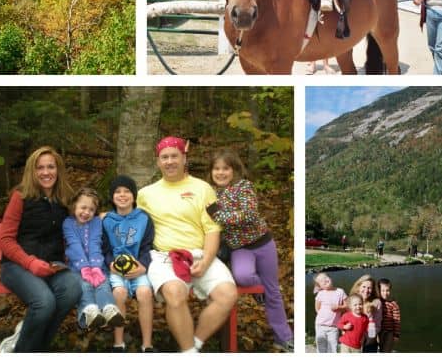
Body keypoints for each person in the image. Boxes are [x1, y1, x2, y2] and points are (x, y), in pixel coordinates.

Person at [137, 136, 237, 353]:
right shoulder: (145, 194)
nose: (170, 161)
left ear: (184, 158)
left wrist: (207, 260)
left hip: (201, 254)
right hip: (164, 257)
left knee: (228, 294)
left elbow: (212, 229)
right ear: (158, 161)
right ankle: (189, 352)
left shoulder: (203, 189)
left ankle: (195, 344)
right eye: (164, 157)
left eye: (174, 156)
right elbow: (130, 222)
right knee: (174, 293)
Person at [206, 149, 294, 352]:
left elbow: (247, 214)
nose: (221, 173)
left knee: (273, 291)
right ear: (211, 172)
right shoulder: (210, 194)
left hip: (263, 244)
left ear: (234, 170)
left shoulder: (243, 187)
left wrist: (218, 215)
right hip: (239, 249)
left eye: (225, 168)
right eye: (216, 169)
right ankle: (262, 289)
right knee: (243, 277)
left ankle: (284, 336)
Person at [0, 146, 82, 352]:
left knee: (73, 289)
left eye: (50, 167)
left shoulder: (64, 198)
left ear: (58, 169)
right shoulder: (21, 196)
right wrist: (30, 262)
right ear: (32, 171)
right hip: (17, 266)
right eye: (40, 168)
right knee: (44, 302)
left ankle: (31, 342)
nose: (46, 172)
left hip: (53, 266)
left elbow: (82, 220)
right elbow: (5, 240)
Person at [102, 175, 155, 352]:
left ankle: (147, 345)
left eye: (127, 191)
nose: (122, 195)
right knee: (119, 293)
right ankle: (119, 343)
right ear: (112, 196)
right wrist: (110, 264)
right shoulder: (107, 220)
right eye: (117, 192)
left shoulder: (143, 218)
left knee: (145, 292)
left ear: (134, 196)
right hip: (116, 269)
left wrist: (143, 266)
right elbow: (105, 248)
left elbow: (147, 246)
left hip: (139, 267)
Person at [63, 188, 125, 331]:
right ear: (74, 206)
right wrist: (84, 267)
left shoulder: (96, 222)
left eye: (91, 209)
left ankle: (109, 309)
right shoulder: (68, 223)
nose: (86, 212)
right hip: (76, 267)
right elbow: (74, 244)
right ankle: (89, 311)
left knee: (102, 283)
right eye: (83, 207)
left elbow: (94, 243)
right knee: (85, 285)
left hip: (97, 265)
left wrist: (95, 267)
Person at [313, 272, 347, 353]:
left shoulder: (340, 291)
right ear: (319, 286)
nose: (324, 280)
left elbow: (347, 305)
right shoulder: (320, 294)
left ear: (330, 278)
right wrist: (324, 317)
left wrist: (339, 307)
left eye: (326, 277)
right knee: (321, 348)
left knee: (332, 348)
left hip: (333, 327)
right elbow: (317, 308)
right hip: (320, 326)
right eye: (321, 281)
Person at [350, 274, 382, 352]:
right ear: (358, 287)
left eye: (369, 288)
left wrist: (367, 337)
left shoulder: (376, 303)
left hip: (369, 341)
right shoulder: (351, 301)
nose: (366, 290)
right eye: (364, 287)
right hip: (353, 341)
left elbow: (377, 326)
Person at [377, 278, 401, 352]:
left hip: (389, 332)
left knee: (386, 350)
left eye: (387, 290)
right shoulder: (377, 301)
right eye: (383, 290)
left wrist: (396, 334)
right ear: (379, 291)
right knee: (378, 348)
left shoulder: (393, 304)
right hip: (379, 331)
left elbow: (397, 320)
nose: (385, 293)